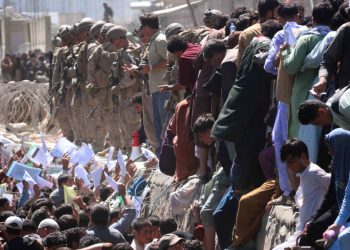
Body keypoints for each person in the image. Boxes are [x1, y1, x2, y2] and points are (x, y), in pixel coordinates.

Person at [264, 3, 305, 202]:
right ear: (299, 16)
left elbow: (268, 65)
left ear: (280, 19)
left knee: (281, 140)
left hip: (286, 96)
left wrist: (280, 72)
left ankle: (289, 189)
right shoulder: (308, 33)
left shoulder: (281, 36)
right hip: (306, 95)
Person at [281, 2, 334, 138]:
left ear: (313, 20)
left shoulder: (306, 38)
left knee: (301, 133)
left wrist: (286, 51)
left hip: (304, 92)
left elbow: (291, 67)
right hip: (330, 91)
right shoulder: (336, 37)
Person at [272, 139, 330, 250]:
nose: (289, 166)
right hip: (300, 233)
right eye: (287, 163)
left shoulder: (313, 172)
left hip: (310, 233)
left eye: (292, 161)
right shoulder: (304, 174)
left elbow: (336, 181)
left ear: (303, 157)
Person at [299, 129, 350, 249]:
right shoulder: (337, 164)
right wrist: (312, 219)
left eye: (331, 148)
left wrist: (338, 223)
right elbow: (330, 195)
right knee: (310, 232)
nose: (328, 152)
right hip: (339, 210)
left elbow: (348, 200)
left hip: (346, 214)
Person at [139, 13, 169, 156]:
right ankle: (161, 157)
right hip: (156, 90)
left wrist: (150, 68)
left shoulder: (160, 40)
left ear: (148, 26)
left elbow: (169, 61)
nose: (141, 30)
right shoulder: (153, 41)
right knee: (158, 127)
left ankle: (168, 157)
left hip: (164, 89)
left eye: (143, 26)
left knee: (165, 125)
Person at [236, 0, 280, 67]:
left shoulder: (246, 33)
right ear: (269, 13)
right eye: (277, 11)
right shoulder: (279, 31)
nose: (279, 15)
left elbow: (240, 63)